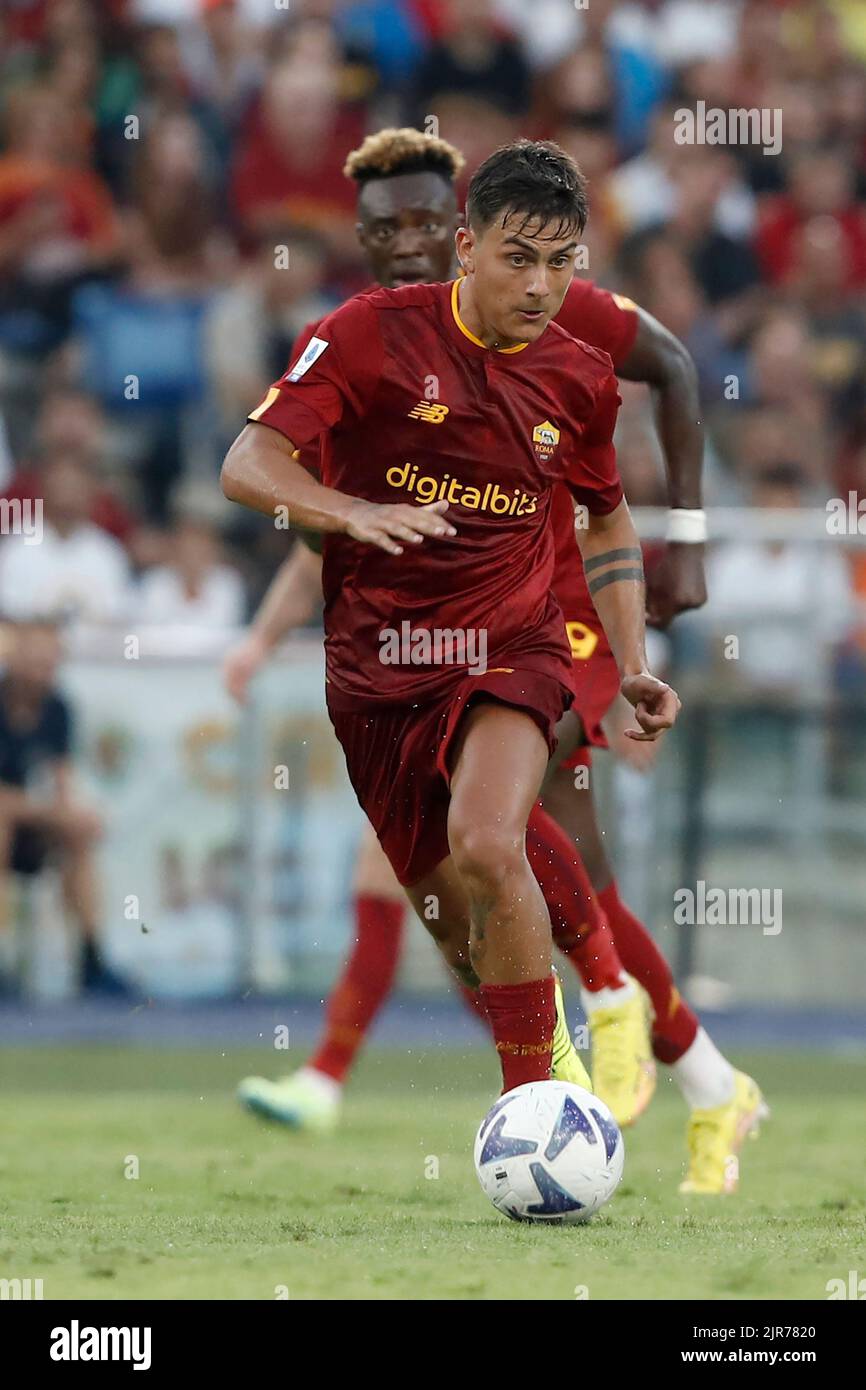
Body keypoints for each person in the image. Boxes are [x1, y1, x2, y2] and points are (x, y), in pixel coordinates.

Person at [226, 128, 766, 1194]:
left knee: (494, 835)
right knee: (461, 922)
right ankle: (643, 1063)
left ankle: (559, 1070)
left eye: (560, 262)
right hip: (379, 665)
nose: (541, 284)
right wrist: (353, 514)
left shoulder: (579, 361)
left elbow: (610, 522)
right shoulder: (364, 335)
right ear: (466, 248)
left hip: (518, 643)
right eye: (518, 259)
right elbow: (251, 461)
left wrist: (635, 654)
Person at [0, 620, 128, 995]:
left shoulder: (58, 708)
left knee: (78, 837)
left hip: (29, 826)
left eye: (50, 661)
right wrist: (47, 812)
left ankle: (92, 958)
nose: (43, 670)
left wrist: (72, 816)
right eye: (36, 659)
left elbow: (61, 781)